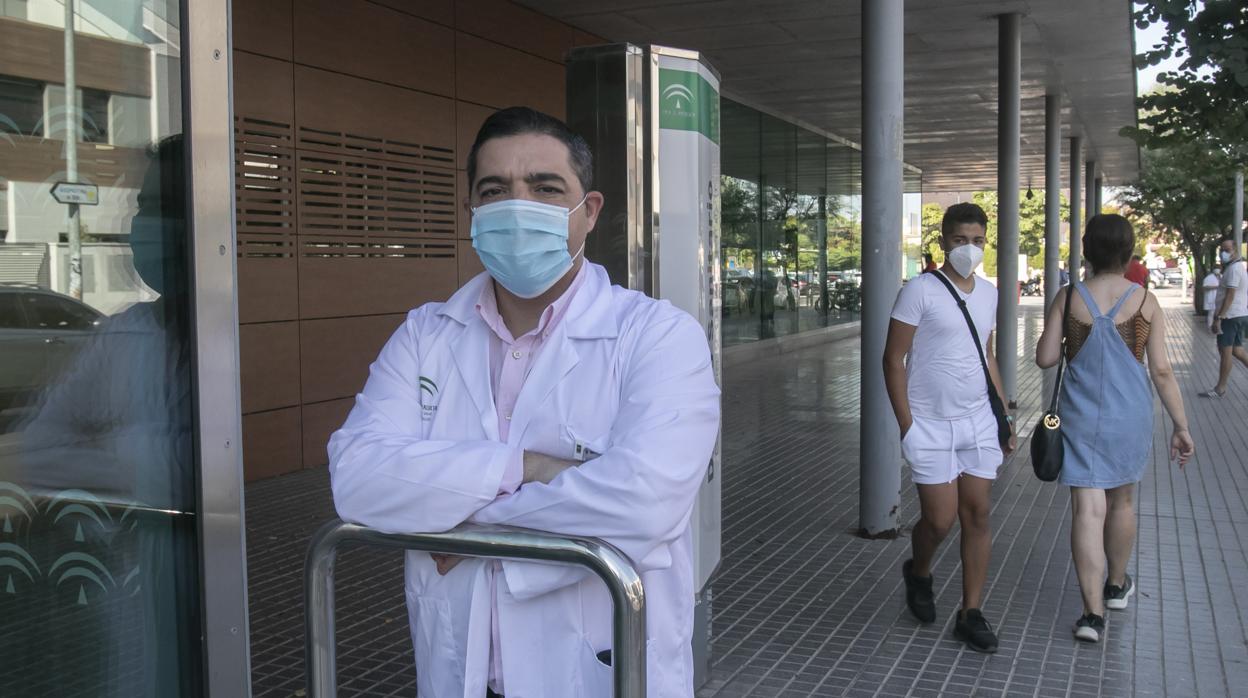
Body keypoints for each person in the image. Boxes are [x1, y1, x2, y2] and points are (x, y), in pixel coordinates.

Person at [327, 107, 721, 697]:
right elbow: (356, 477)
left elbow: (643, 502)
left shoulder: (658, 335)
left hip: (597, 672)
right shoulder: (425, 334)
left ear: (588, 212)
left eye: (544, 188)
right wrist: (526, 469)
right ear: (473, 214)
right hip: (459, 671)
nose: (518, 205)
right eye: (494, 190)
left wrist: (456, 520)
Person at [1036, 214, 1194, 644]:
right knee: (1122, 501)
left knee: (1088, 509)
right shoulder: (1144, 300)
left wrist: (1067, 331)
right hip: (1131, 416)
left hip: (1080, 418)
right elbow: (1161, 370)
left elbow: (1046, 358)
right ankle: (1116, 584)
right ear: (1128, 252)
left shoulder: (1070, 297)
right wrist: (1181, 425)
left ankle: (1091, 615)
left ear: (1087, 250)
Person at [884, 202, 1016, 654]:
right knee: (938, 521)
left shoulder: (989, 293)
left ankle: (970, 612)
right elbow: (892, 360)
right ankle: (918, 572)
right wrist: (908, 426)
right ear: (943, 242)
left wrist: (1003, 417)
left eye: (978, 241)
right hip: (930, 424)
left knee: (977, 514)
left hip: (977, 421)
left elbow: (987, 355)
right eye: (961, 240)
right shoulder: (919, 290)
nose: (970, 249)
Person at [1200, 237, 1248, 398]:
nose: (1223, 253)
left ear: (1235, 251)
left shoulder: (1234, 269)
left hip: (1230, 316)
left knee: (1225, 352)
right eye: (1222, 249)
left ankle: (1220, 388)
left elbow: (1230, 296)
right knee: (1238, 351)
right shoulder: (1234, 267)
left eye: (1227, 250)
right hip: (1238, 314)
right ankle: (1220, 387)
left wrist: (1219, 317)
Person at [1202, 266, 1222, 334]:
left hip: (1220, 299)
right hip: (1212, 298)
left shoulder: (1222, 276)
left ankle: (1218, 328)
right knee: (1211, 313)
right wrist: (1215, 287)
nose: (1217, 270)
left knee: (1220, 314)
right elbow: (1205, 287)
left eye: (1219, 268)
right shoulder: (1209, 278)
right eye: (1216, 268)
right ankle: (1210, 328)